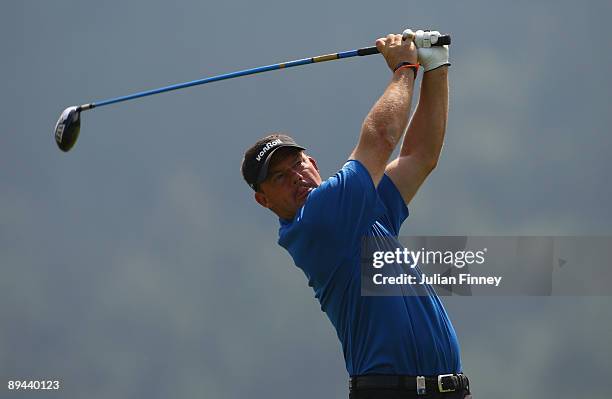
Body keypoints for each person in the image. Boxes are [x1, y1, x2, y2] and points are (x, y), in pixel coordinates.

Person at [241, 30, 471, 399]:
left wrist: (436, 67)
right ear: (264, 201)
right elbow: (381, 137)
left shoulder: (356, 209)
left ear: (313, 163)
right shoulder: (318, 219)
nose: (296, 178)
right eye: (279, 177)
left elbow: (420, 157)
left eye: (298, 165)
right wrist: (405, 67)